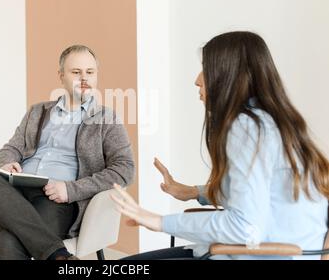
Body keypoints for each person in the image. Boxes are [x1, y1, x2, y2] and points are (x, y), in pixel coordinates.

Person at [111, 31, 329, 260]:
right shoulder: (273, 122)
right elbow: (264, 197)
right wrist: (195, 192)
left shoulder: (246, 127)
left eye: (206, 68)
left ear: (230, 76)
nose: (197, 79)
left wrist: (157, 221)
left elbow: (245, 226)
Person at [0, 45, 135, 260]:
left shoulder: (107, 119)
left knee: (10, 239)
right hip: (17, 191)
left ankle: (57, 256)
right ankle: (59, 256)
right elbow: (11, 148)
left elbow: (125, 169)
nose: (84, 78)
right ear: (61, 76)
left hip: (57, 200)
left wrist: (71, 189)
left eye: (90, 72)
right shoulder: (37, 111)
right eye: (76, 72)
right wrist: (7, 162)